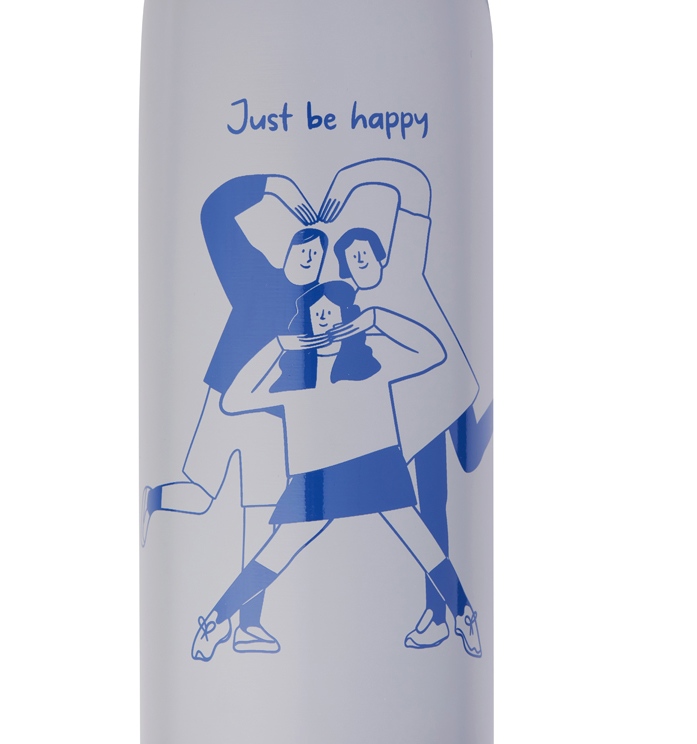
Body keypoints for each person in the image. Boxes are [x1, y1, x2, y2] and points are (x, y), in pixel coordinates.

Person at [189, 282, 482, 662]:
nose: (324, 319)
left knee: (423, 545)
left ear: (347, 316)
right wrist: (279, 346)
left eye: (331, 312)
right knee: (274, 555)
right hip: (315, 482)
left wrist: (375, 319)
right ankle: (216, 621)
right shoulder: (292, 377)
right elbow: (232, 399)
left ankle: (464, 616)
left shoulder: (372, 364)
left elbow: (433, 352)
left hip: (375, 468)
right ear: (306, 322)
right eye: (316, 314)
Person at [142, 174, 325, 654]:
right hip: (224, 401)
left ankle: (249, 625)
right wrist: (275, 184)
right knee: (202, 496)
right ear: (287, 253)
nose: (309, 257)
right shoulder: (254, 279)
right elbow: (214, 214)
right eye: (303, 249)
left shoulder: (318, 316)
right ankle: (153, 499)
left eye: (317, 255)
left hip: (272, 422)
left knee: (261, 518)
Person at [321, 158, 493, 649]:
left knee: (469, 463)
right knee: (432, 503)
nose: (360, 264)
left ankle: (440, 613)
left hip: (450, 386)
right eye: (351, 261)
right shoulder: (355, 311)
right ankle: (438, 613)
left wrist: (347, 179)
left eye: (364, 254)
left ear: (381, 253)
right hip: (421, 413)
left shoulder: (407, 264)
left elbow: (414, 186)